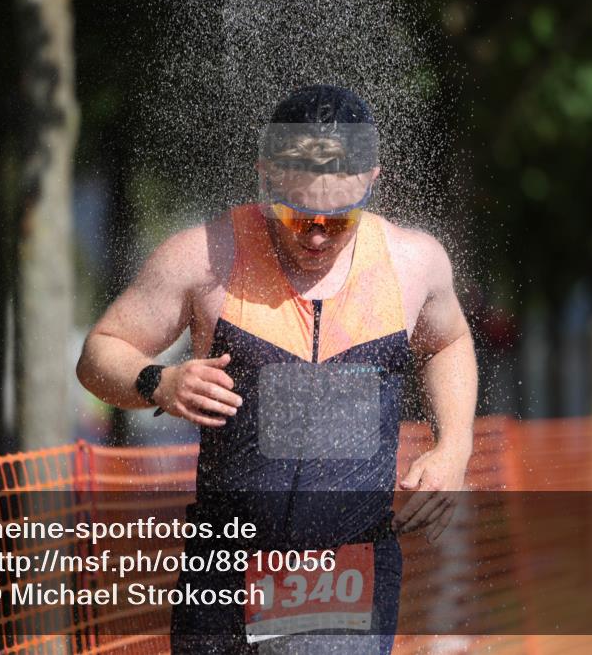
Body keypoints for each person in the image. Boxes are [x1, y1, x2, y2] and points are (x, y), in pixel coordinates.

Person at [77, 85, 477, 654]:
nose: (316, 235)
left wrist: (454, 444)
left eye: (338, 221)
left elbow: (448, 342)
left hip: (344, 569)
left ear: (371, 181)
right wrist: (158, 382)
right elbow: (99, 352)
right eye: (296, 215)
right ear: (266, 176)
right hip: (221, 564)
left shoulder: (414, 263)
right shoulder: (202, 256)